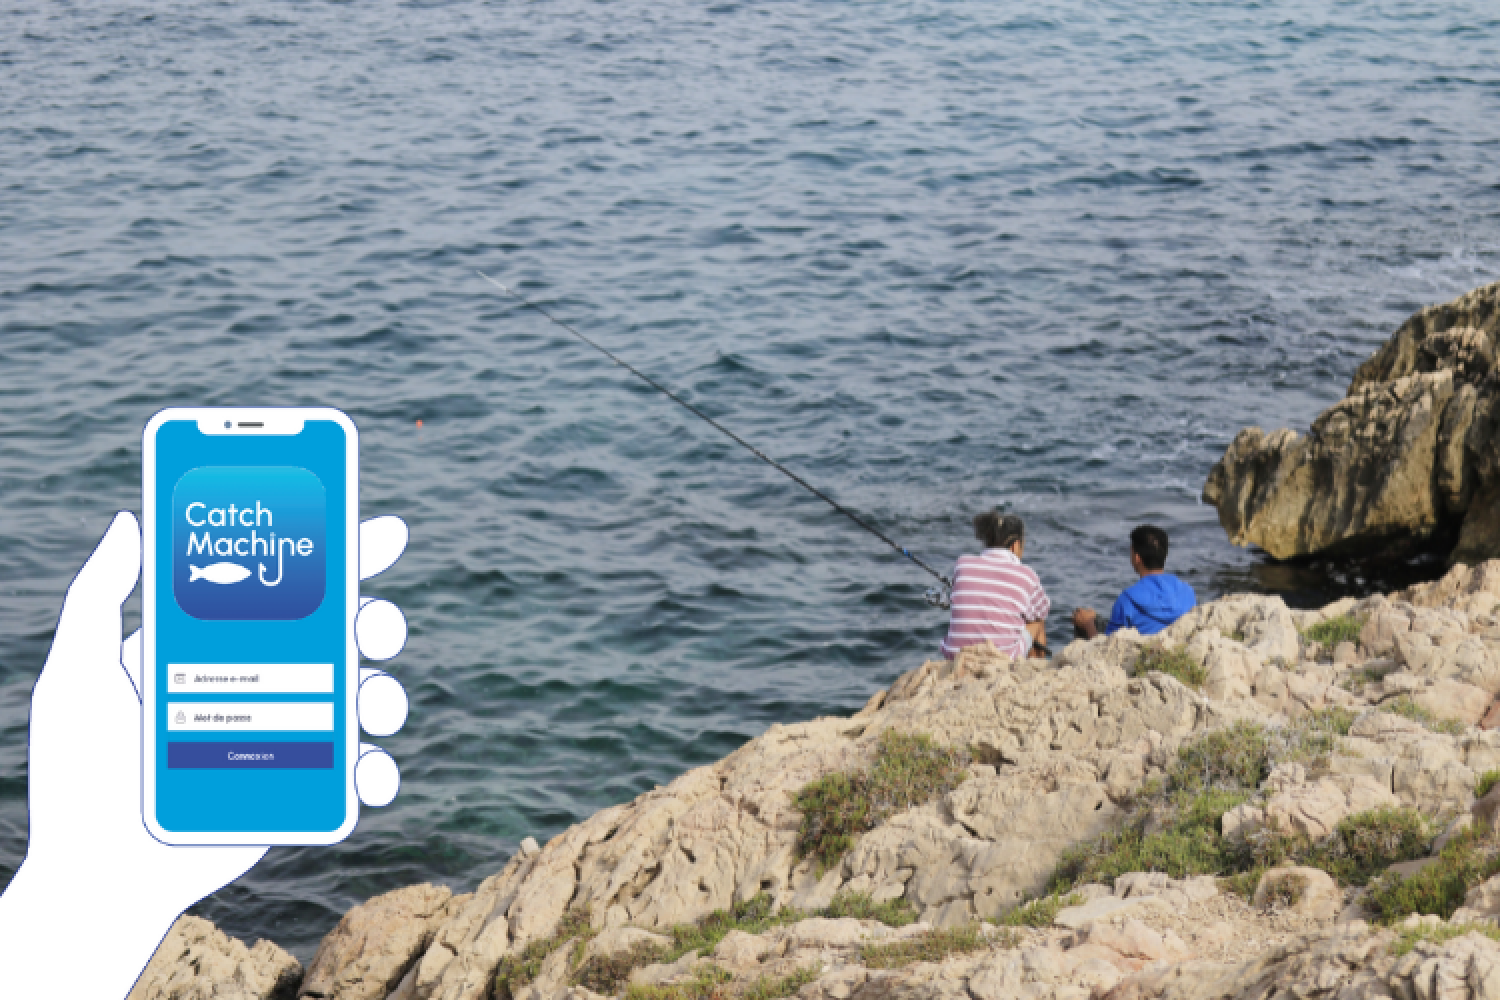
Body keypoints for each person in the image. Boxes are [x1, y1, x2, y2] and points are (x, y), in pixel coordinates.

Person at [941, 511, 1051, 660]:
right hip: (1001, 658)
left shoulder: (962, 563)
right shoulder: (1027, 574)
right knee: (1037, 619)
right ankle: (1035, 669)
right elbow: (1043, 610)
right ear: (1015, 545)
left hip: (955, 655)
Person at [1072, 524, 1196, 639]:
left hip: (1143, 658)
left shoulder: (1128, 600)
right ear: (1164, 555)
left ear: (1137, 558)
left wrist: (1088, 624)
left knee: (1085, 621)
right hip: (1178, 653)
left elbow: (1108, 649)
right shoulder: (1187, 592)